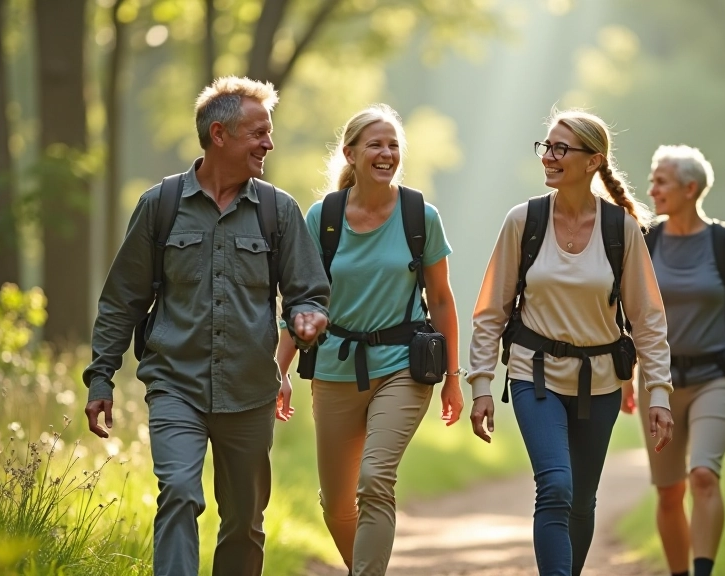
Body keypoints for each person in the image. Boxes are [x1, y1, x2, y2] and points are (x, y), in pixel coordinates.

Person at [82, 76, 330, 576]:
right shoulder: (161, 206)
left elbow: (309, 292)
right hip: (176, 384)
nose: (269, 143)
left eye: (270, 132)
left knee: (244, 522)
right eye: (258, 133)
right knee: (177, 493)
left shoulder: (279, 211)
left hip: (250, 390)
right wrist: (101, 376)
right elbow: (122, 299)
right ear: (219, 135)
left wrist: (308, 319)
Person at [467, 109, 675, 576]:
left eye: (561, 148)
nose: (549, 157)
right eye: (546, 147)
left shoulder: (620, 229)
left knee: (582, 501)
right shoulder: (524, 221)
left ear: (592, 161)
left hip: (599, 382)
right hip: (532, 373)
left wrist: (658, 393)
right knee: (556, 486)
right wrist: (481, 384)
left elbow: (648, 320)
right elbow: (491, 311)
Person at [275, 103, 464, 576]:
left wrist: (454, 378)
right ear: (351, 154)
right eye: (375, 145)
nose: (386, 153)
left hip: (404, 364)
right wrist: (277, 368)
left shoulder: (421, 215)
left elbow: (441, 299)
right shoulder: (325, 217)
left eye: (394, 145)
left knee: (375, 480)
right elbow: (302, 300)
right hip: (336, 367)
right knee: (337, 504)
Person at [623, 145, 725, 576]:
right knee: (669, 492)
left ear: (691, 188)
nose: (651, 189)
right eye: (652, 180)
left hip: (715, 378)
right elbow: (630, 316)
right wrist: (626, 379)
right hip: (659, 384)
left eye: (661, 181)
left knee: (704, 476)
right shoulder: (644, 241)